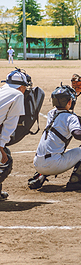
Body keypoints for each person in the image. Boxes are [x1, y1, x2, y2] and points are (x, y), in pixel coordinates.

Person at [27, 84, 81, 191]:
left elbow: (71, 117)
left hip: (37, 163)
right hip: (54, 165)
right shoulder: (71, 118)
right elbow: (76, 133)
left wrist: (70, 99)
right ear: (70, 102)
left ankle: (40, 176)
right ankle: (74, 183)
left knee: (55, 145)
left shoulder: (51, 114)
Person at [0, 69, 29, 200]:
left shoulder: (2, 90)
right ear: (21, 86)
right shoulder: (18, 95)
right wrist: (1, 146)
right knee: (5, 161)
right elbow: (10, 123)